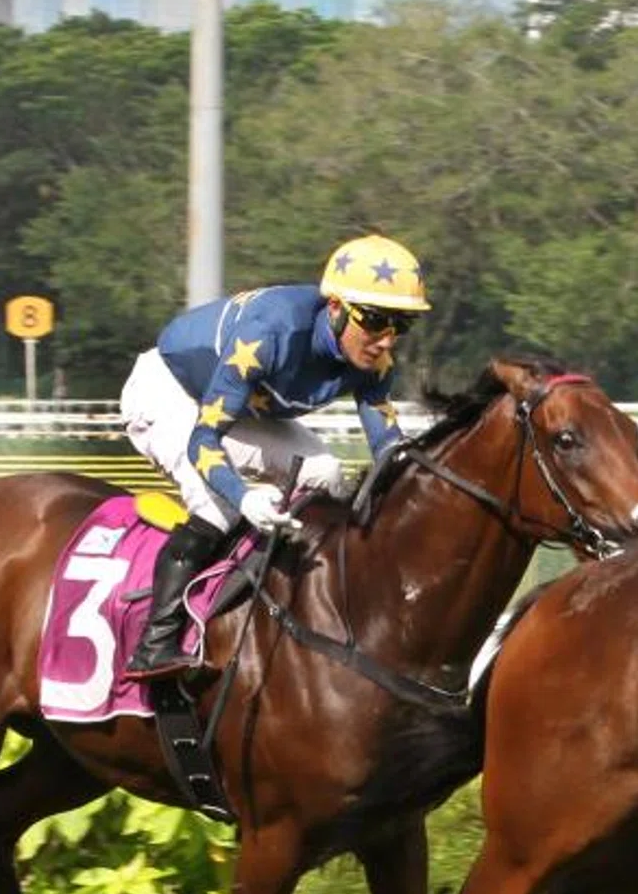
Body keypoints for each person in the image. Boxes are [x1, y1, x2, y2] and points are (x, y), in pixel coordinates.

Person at [117, 232, 430, 680]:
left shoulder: (374, 363)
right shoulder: (269, 334)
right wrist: (245, 497)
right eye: (377, 320)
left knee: (328, 473)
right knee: (220, 504)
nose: (386, 341)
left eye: (402, 325)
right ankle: (155, 645)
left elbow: (390, 452)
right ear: (336, 308)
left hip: (238, 406)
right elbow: (203, 439)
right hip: (170, 393)